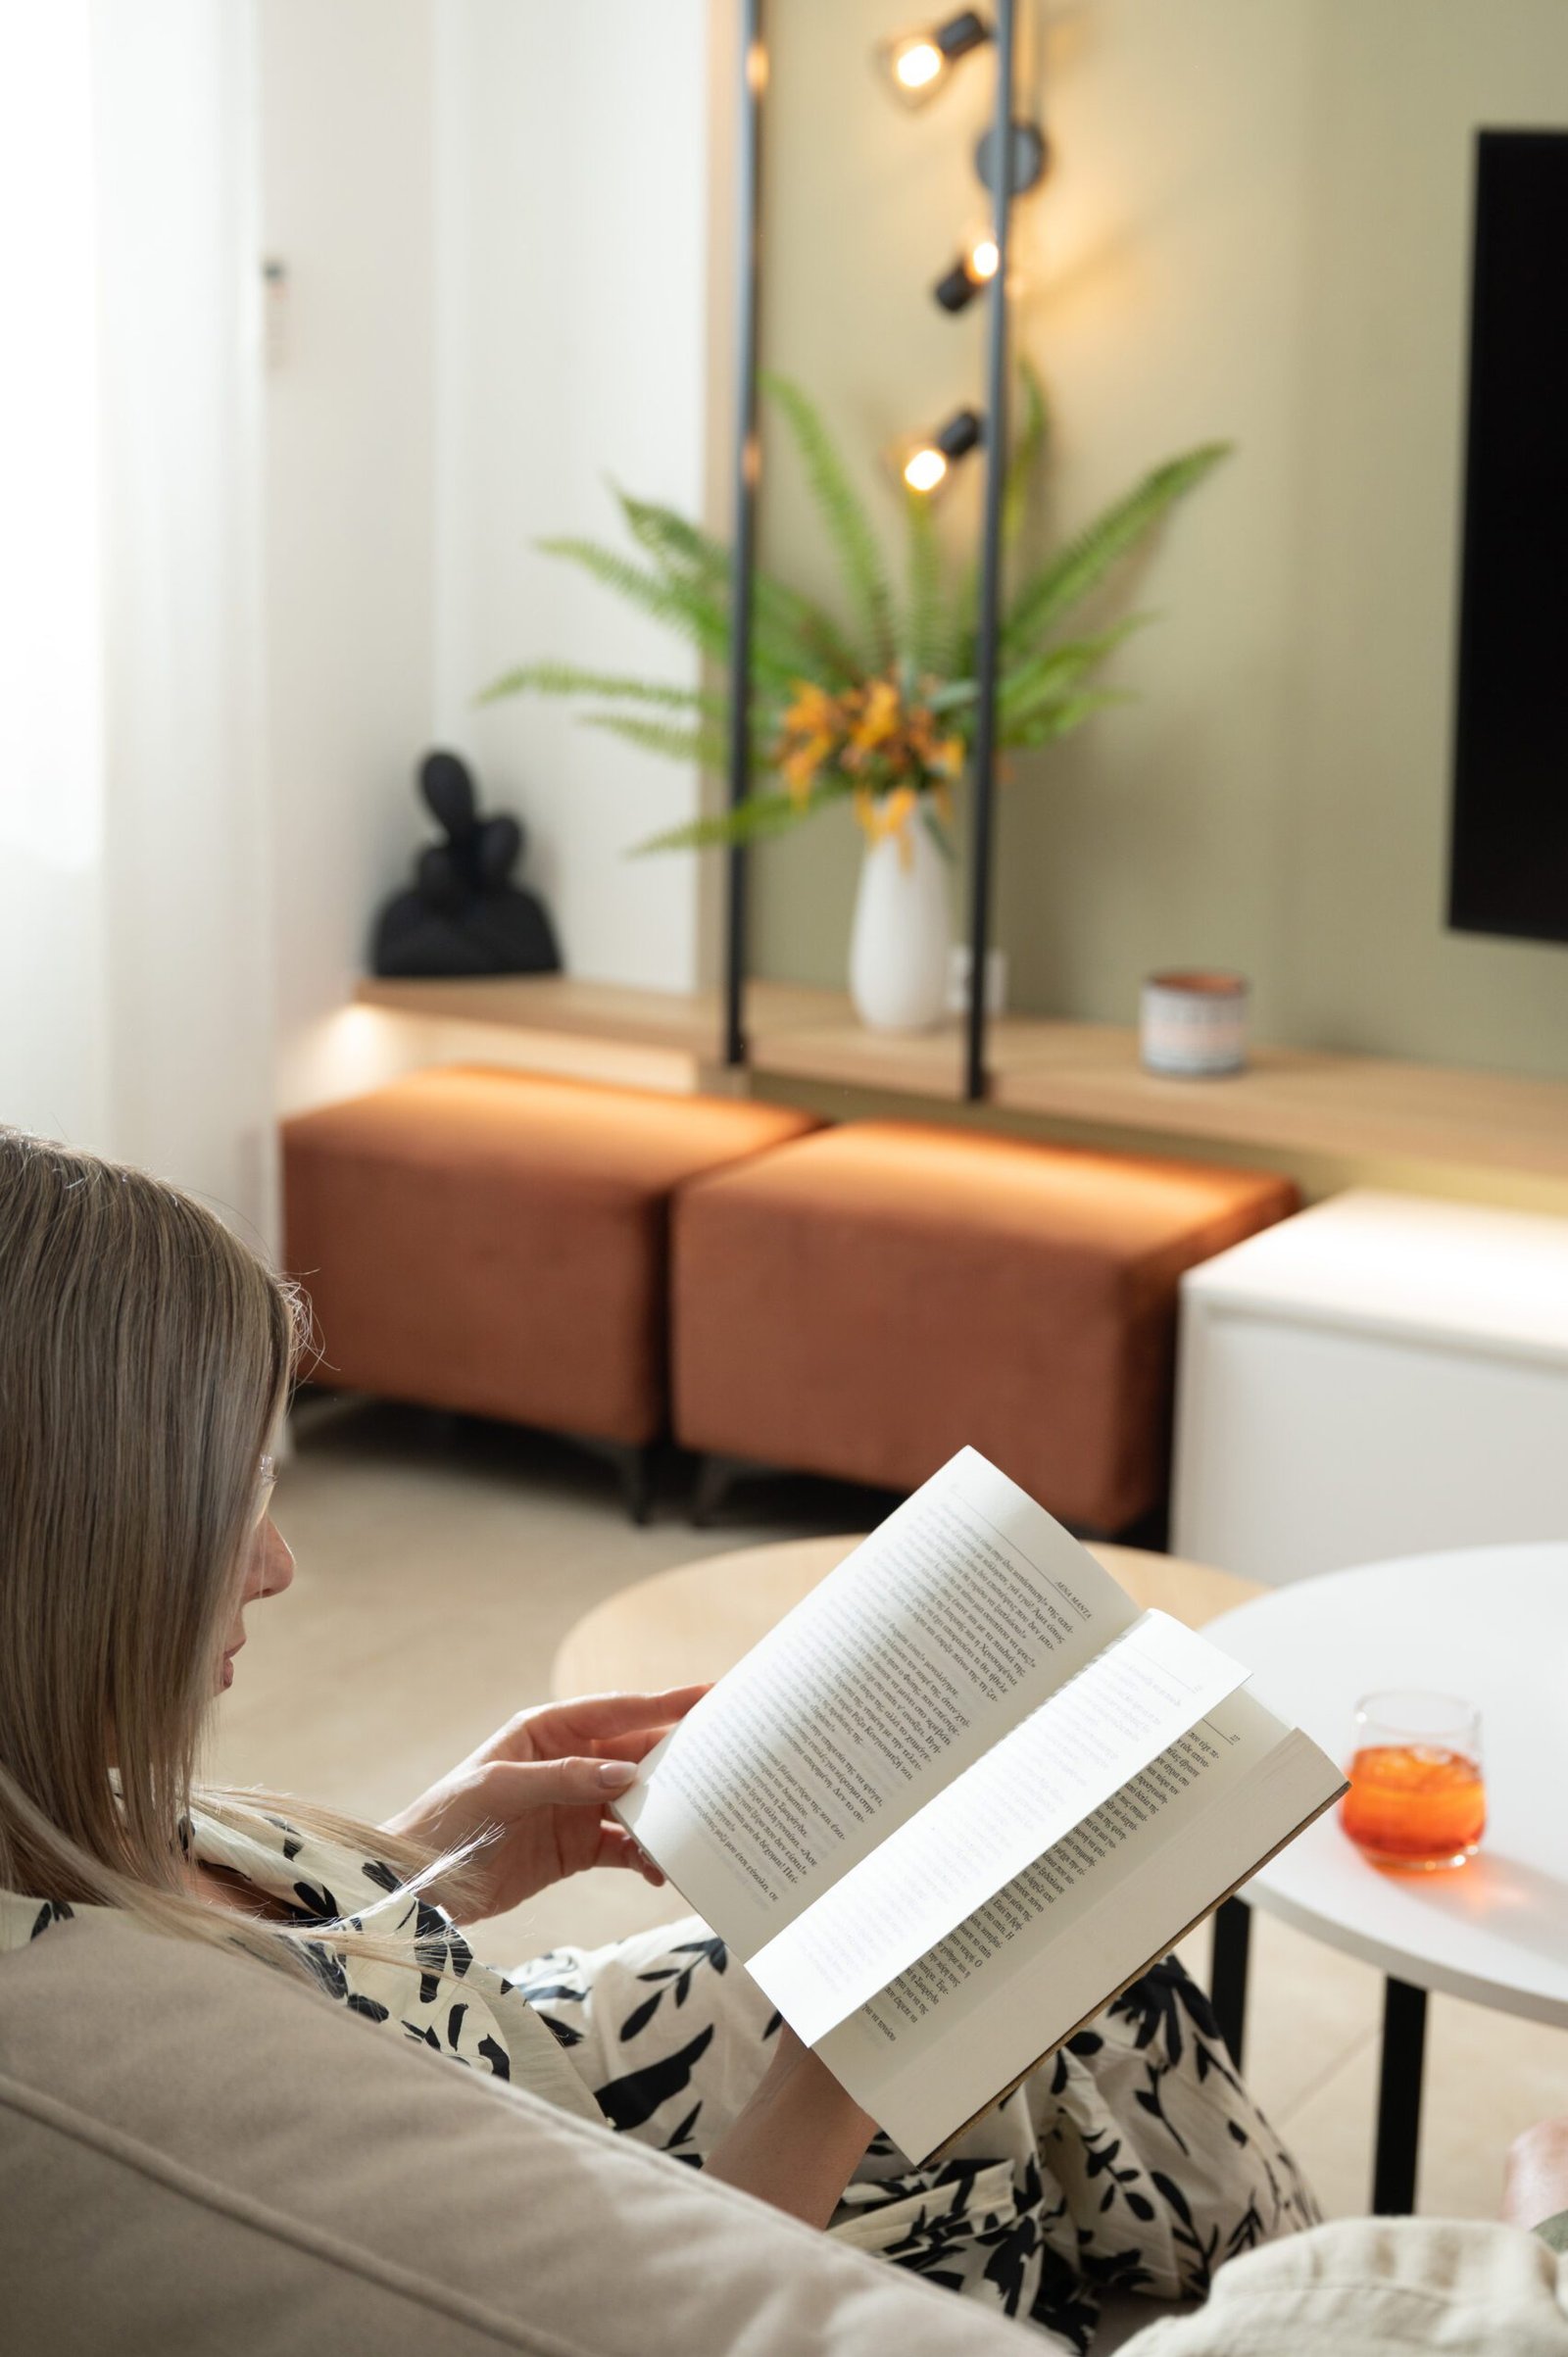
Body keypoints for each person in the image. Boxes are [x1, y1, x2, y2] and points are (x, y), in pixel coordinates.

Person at [0, 1128, 1324, 2353]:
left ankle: (1287, 2288)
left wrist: (423, 1864)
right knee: (1031, 2006)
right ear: (75, 1550)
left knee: (1096, 1993)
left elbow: (271, 1964)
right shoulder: (176, 2081)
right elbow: (652, 2310)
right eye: (233, 1504)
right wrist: (851, 2065)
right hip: (609, 2195)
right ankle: (1321, 2309)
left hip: (509, 2046)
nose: (278, 1565)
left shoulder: (47, 1799)